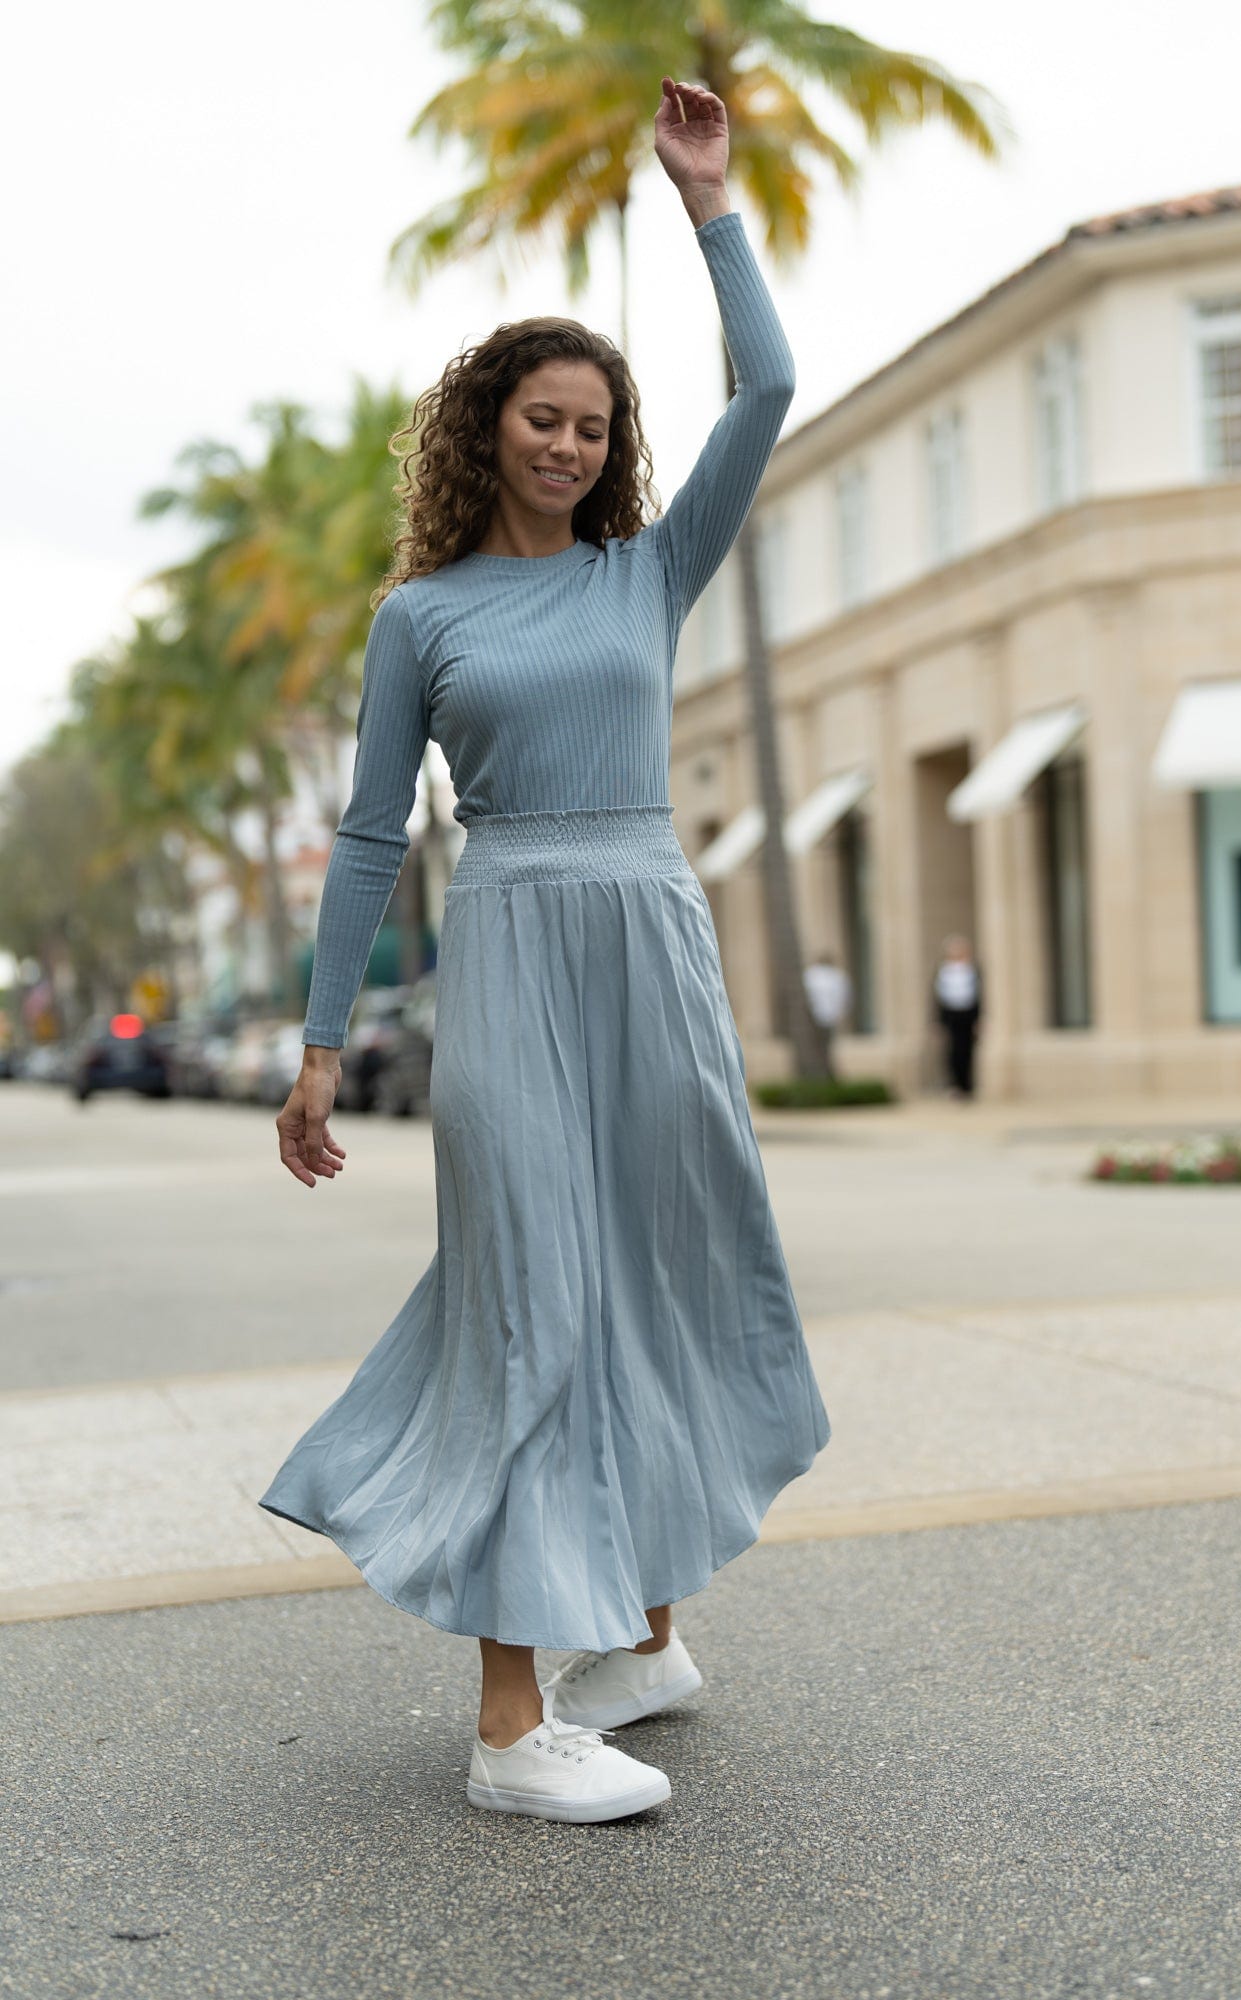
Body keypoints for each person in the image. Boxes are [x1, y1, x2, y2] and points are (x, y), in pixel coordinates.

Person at [266, 78, 831, 1827]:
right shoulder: (422, 618)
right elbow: (374, 835)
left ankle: (643, 1640)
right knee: (530, 1297)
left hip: (651, 937)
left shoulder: (647, 575)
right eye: (542, 417)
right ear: (487, 429)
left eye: (594, 424)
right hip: (509, 942)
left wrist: (709, 204)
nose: (570, 445)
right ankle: (511, 1725)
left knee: (660, 1272)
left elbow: (769, 387)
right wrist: (319, 1043)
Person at [933, 933, 982, 1097]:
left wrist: (979, 1018)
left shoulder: (973, 970)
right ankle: (954, 1084)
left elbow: (979, 997)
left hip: (968, 1015)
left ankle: (967, 1085)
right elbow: (937, 999)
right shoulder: (943, 971)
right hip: (951, 1016)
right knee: (952, 1050)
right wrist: (938, 1021)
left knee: (967, 1050)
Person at [802, 949, 852, 1071]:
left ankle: (819, 1069)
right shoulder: (837, 976)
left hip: (815, 1017)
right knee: (826, 1045)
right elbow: (845, 998)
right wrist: (841, 1013)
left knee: (816, 1045)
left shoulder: (811, 975)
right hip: (829, 1017)